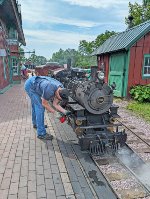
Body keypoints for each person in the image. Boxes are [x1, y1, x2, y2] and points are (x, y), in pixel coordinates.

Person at [24, 76, 70, 140]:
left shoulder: (61, 88)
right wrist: (55, 113)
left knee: (35, 105)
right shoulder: (49, 89)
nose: (59, 99)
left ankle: (36, 124)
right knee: (40, 107)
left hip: (36, 83)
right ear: (58, 93)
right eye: (59, 98)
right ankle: (41, 133)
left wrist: (65, 111)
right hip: (30, 86)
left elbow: (55, 104)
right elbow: (44, 104)